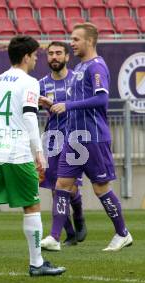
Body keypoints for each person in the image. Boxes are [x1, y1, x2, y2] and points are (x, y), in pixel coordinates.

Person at [0, 35, 66, 278]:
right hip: (17, 153)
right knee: (32, 205)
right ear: (26, 56)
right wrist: (39, 152)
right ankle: (37, 263)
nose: (37, 59)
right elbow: (29, 117)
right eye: (36, 55)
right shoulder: (29, 82)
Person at [49, 23, 133, 252]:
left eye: (76, 39)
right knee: (61, 185)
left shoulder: (96, 67)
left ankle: (122, 233)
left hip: (93, 137)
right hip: (74, 138)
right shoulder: (79, 68)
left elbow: (101, 100)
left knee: (100, 188)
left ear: (89, 41)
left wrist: (68, 105)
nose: (72, 43)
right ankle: (54, 237)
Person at [37, 41, 87, 251]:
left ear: (67, 57)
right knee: (54, 188)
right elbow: (34, 108)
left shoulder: (78, 79)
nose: (54, 57)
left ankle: (79, 215)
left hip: (74, 138)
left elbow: (84, 106)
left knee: (69, 187)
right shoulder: (41, 84)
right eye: (51, 54)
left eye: (59, 53)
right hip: (51, 139)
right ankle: (70, 233)